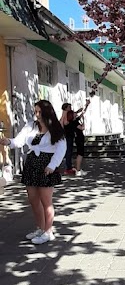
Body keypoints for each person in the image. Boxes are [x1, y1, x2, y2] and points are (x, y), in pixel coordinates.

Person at [0, 99, 66, 244]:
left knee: (46, 201)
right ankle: (40, 228)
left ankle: (49, 232)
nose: (36, 114)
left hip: (46, 165)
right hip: (32, 164)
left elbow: (61, 149)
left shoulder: (55, 129)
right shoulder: (31, 126)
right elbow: (19, 141)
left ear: (47, 112)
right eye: (35, 111)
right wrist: (8, 142)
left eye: (39, 112)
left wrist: (52, 165)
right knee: (33, 200)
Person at [61, 99, 90, 176]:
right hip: (69, 137)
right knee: (70, 152)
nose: (71, 109)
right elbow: (81, 127)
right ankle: (71, 168)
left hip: (72, 136)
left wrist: (86, 106)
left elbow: (81, 113)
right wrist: (83, 120)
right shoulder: (68, 119)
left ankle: (73, 167)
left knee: (71, 152)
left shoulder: (72, 119)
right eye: (70, 107)